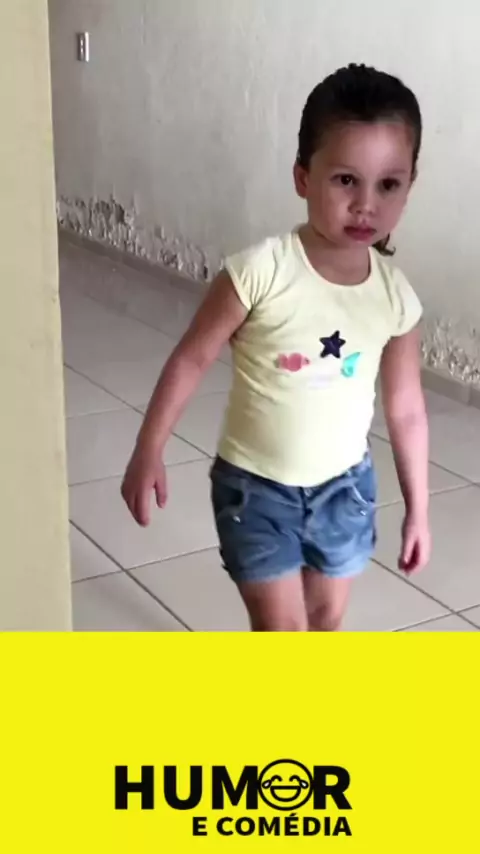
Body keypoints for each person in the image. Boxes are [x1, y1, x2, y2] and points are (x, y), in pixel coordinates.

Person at [122, 63, 431, 632]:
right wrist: (149, 449)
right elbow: (191, 358)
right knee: (283, 634)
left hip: (346, 491)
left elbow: (407, 409)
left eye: (388, 184)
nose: (366, 204)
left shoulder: (396, 299)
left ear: (409, 186)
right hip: (255, 491)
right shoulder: (258, 272)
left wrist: (419, 510)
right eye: (346, 180)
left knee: (324, 622)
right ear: (302, 177)